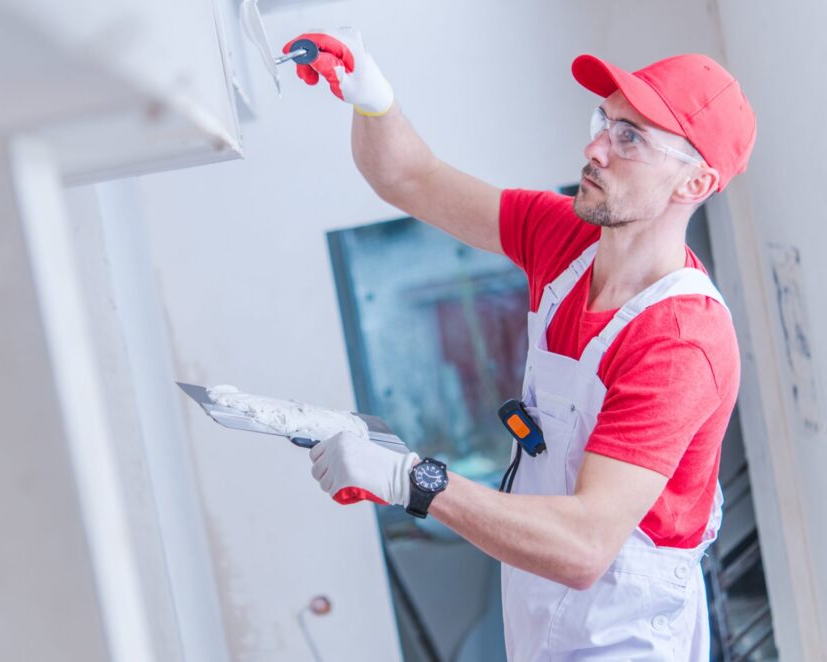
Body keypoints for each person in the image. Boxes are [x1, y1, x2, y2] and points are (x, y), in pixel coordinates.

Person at [286, 27, 756, 660]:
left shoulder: (679, 342)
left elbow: (586, 545)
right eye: (604, 121)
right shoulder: (565, 239)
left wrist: (409, 478)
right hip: (540, 613)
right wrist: (372, 96)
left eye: (630, 138)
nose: (594, 147)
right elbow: (411, 178)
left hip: (624, 635)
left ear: (694, 184)